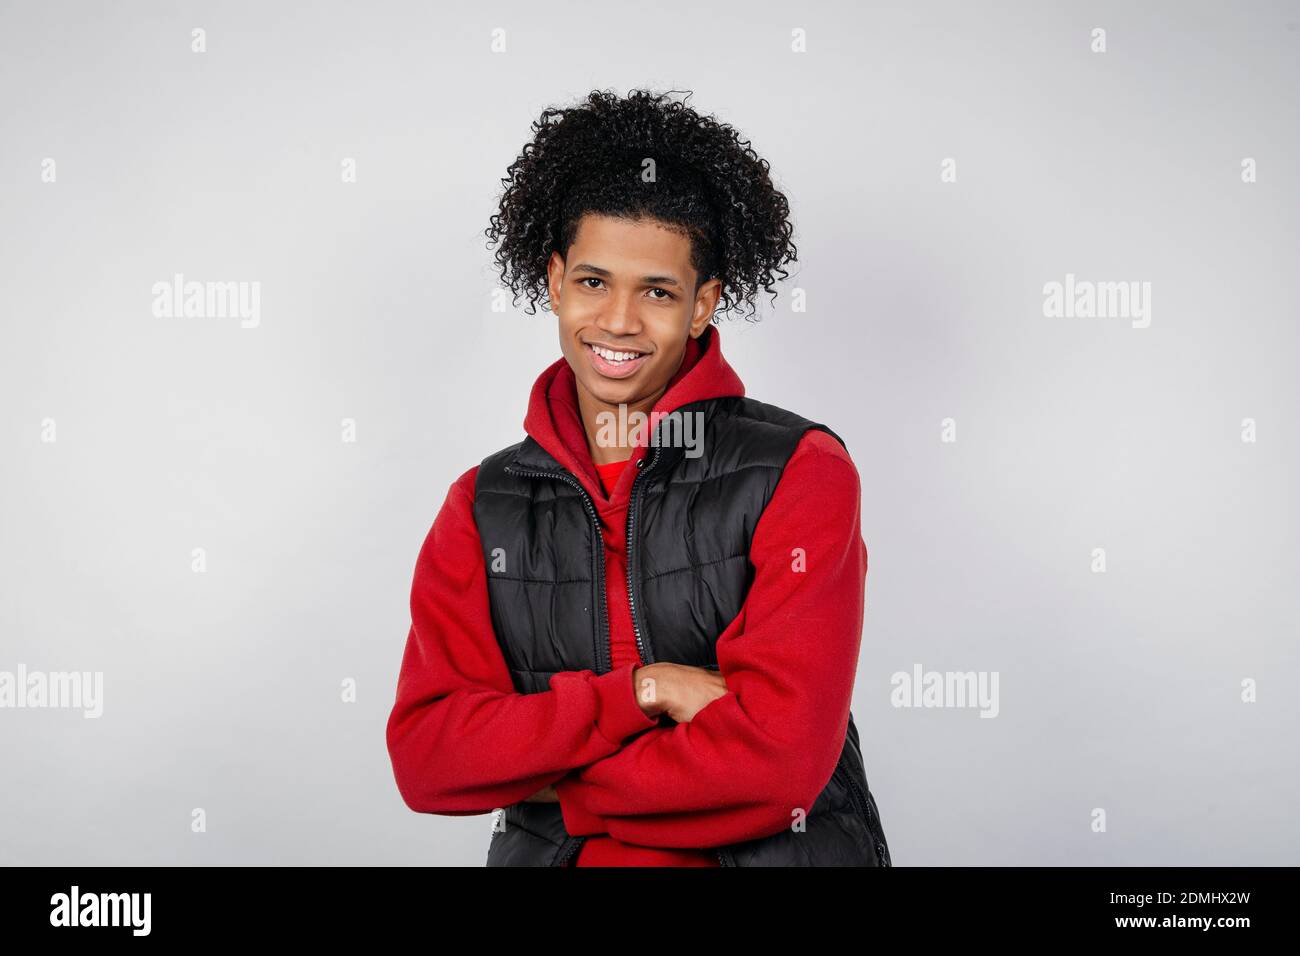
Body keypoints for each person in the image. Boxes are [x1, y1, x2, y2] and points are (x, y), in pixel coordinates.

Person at [385, 88, 891, 866]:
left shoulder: (799, 472)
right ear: (554, 283)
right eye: (593, 282)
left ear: (702, 305)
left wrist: (560, 783)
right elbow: (430, 759)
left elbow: (781, 766)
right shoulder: (482, 506)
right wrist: (644, 691)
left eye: (656, 291)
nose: (619, 321)